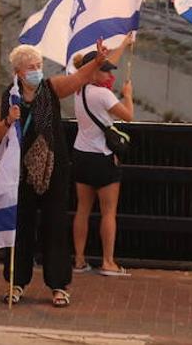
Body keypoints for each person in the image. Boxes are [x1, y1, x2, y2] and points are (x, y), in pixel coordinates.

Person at [0, 44, 73, 307]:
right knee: (20, 227)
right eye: (31, 67)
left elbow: (79, 79)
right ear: (18, 72)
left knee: (55, 226)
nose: (37, 71)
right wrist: (8, 121)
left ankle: (58, 285)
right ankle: (16, 283)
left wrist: (99, 60)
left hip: (52, 170)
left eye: (39, 66)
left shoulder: (50, 89)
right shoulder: (9, 97)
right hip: (19, 173)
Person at [68, 37, 135, 277]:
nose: (109, 76)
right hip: (103, 158)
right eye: (105, 71)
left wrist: (124, 43)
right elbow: (128, 116)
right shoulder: (104, 96)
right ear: (94, 71)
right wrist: (127, 94)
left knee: (82, 210)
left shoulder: (78, 89)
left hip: (81, 155)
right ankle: (108, 262)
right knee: (108, 212)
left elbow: (104, 64)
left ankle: (79, 260)